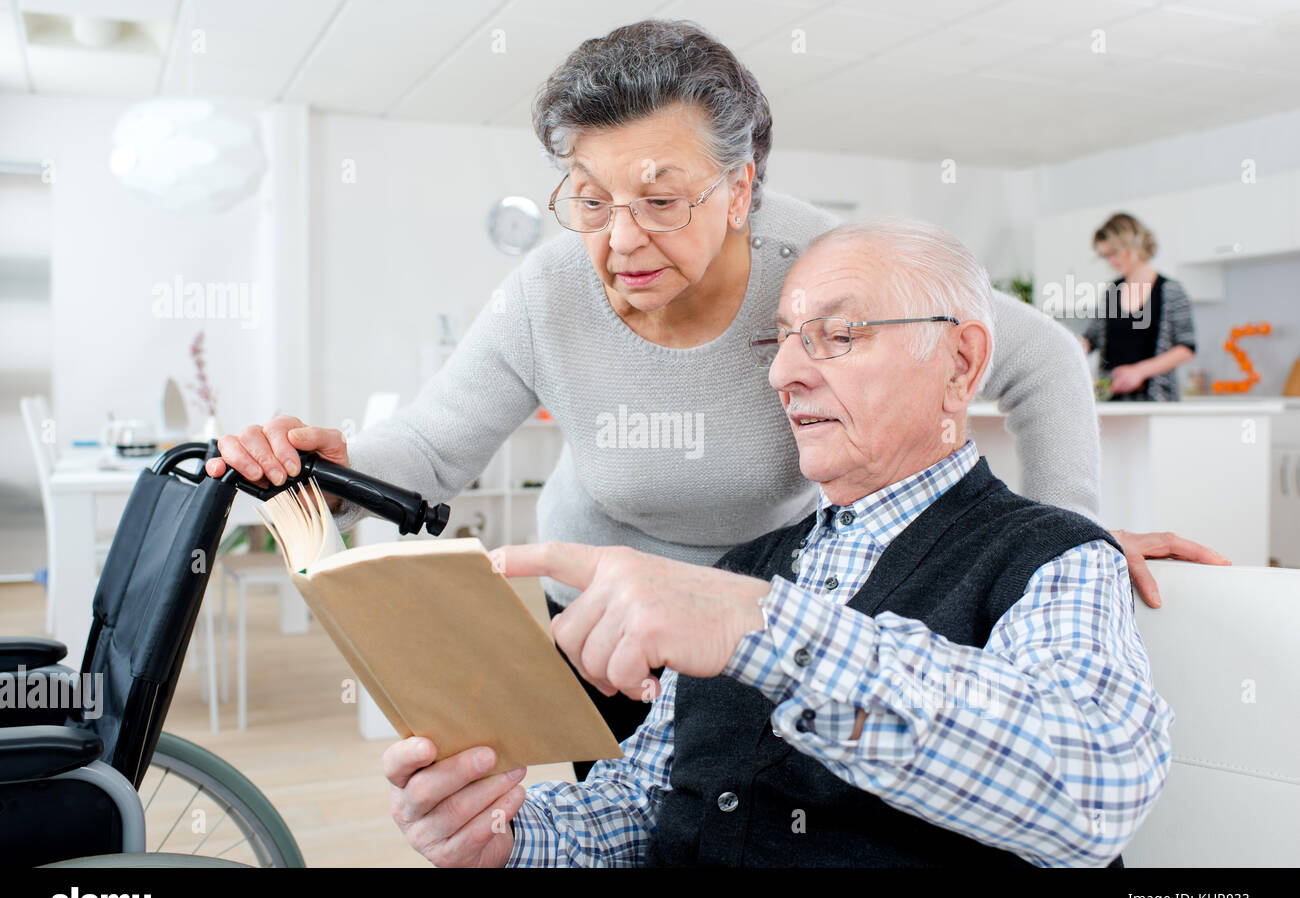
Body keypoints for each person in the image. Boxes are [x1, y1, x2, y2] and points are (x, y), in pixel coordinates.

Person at [204, 20, 1221, 779]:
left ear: (742, 191)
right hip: (597, 616)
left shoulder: (820, 267)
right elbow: (430, 445)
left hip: (767, 608)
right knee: (624, 816)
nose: (620, 238)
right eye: (591, 200)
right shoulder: (551, 289)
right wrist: (326, 470)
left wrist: (1070, 538)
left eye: (660, 198)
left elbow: (1036, 356)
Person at [383, 219, 1173, 868]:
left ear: (960, 362)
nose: (785, 373)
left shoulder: (1054, 558)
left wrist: (761, 627)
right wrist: (504, 835)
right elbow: (638, 805)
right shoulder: (744, 570)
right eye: (783, 340)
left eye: (834, 335)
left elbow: (1094, 791)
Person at [1080, 212, 1197, 400]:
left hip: (1157, 401)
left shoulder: (1170, 290)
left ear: (1132, 246)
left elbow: (1186, 347)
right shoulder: (1112, 290)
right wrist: (1070, 344)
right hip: (1111, 400)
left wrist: (1139, 371)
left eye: (1114, 253)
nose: (1111, 262)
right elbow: (1091, 339)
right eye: (1106, 256)